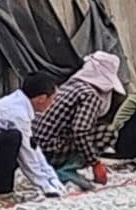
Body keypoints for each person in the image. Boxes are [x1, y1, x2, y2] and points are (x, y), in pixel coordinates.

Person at [35, 50, 124, 180]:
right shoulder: (90, 95)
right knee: (108, 132)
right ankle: (67, 169)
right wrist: (95, 163)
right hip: (50, 151)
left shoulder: (71, 85)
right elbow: (80, 131)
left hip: (36, 147)